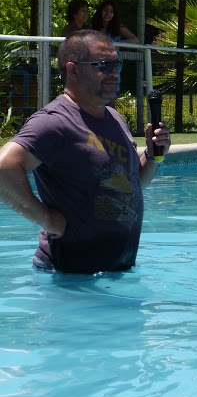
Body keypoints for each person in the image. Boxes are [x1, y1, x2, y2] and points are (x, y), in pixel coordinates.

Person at [0, 29, 170, 274]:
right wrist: (46, 219)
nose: (114, 73)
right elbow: (4, 168)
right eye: (103, 65)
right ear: (73, 70)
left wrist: (152, 157)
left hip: (114, 271)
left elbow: (131, 185)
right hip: (67, 275)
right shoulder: (54, 121)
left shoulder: (115, 118)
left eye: (117, 64)